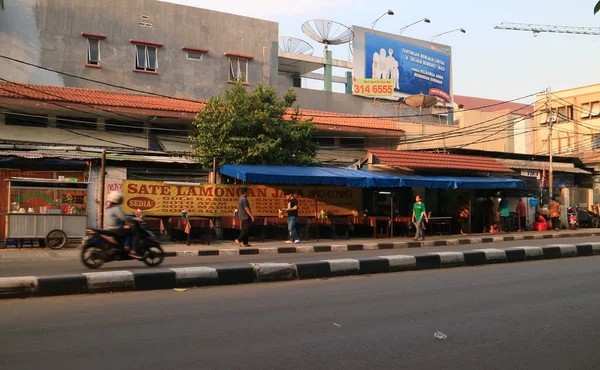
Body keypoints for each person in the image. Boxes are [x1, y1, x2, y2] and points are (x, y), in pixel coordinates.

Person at [104, 191, 140, 258]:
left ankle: (124, 246)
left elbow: (123, 216)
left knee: (128, 229)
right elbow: (123, 217)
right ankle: (133, 250)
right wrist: (136, 219)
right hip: (116, 229)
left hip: (109, 228)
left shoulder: (109, 208)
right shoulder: (116, 208)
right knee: (135, 232)